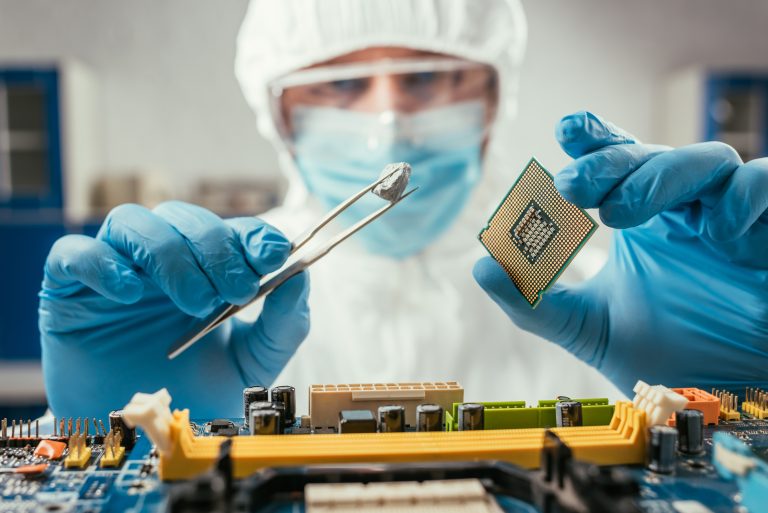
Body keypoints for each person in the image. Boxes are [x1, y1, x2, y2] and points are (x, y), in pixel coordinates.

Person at [39, 0, 767, 420]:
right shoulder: (209, 297)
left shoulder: (604, 284)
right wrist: (117, 439)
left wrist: (743, 416)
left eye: (425, 78)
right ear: (278, 113)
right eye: (343, 86)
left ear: (492, 97)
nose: (390, 122)